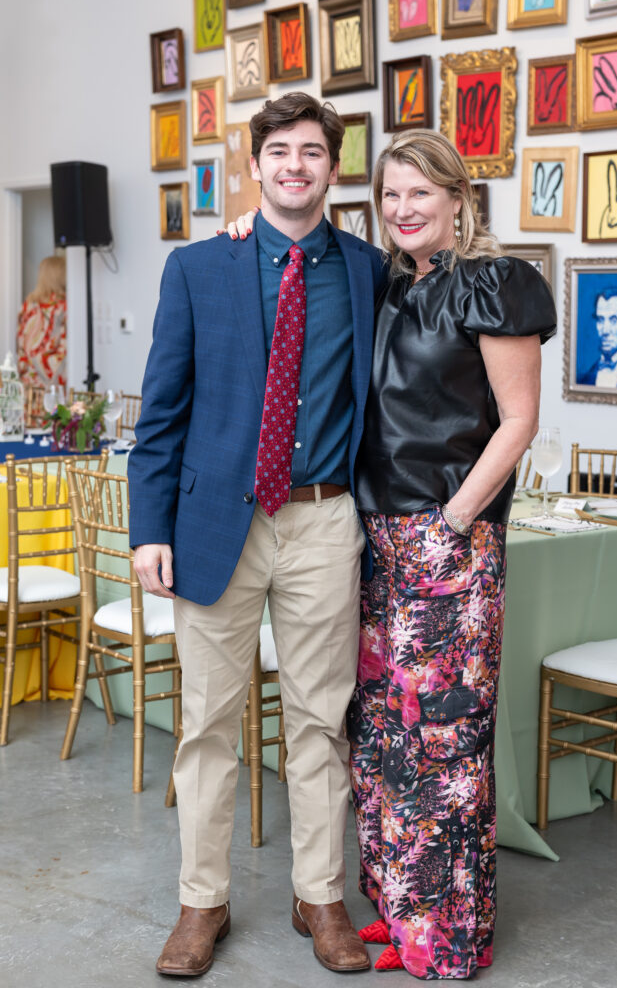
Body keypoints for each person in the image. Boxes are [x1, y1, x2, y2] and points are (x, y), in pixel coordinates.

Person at [127, 92, 388, 978]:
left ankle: (319, 895)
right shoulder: (198, 268)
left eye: (312, 152)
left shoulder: (367, 269)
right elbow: (161, 413)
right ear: (254, 163)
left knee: (320, 722)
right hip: (212, 523)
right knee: (207, 725)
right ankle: (202, 904)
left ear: (332, 166)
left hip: (323, 519)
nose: (294, 167)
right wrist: (146, 529)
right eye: (279, 151)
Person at [346, 130, 557, 979]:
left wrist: (452, 522)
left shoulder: (493, 283)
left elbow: (518, 420)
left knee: (443, 745)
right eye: (390, 196)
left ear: (458, 200)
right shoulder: (393, 286)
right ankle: (401, 913)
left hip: (447, 546)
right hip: (377, 542)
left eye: (419, 195)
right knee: (387, 741)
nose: (402, 210)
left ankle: (447, 938)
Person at [16, 254, 67, 392]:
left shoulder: (28, 305)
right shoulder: (63, 308)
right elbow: (65, 349)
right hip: (51, 385)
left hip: (27, 382)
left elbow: (20, 344)